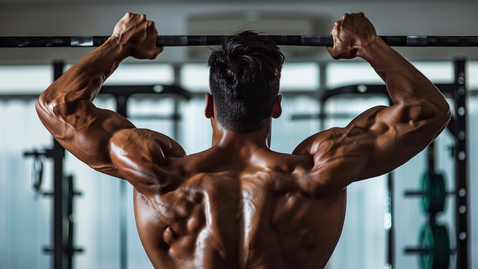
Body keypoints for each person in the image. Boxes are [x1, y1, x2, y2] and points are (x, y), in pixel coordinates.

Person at [36, 11, 451, 269]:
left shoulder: (161, 173)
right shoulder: (317, 171)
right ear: (276, 106)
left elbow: (57, 105)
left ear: (208, 106)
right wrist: (368, 44)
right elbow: (429, 110)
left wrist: (119, 45)